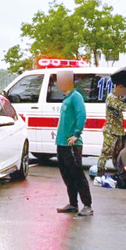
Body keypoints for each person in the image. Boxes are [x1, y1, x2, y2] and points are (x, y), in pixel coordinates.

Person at [55, 70, 93, 216]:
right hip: (62, 144)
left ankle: (87, 205)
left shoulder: (76, 97)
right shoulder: (66, 98)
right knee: (67, 175)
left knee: (77, 175)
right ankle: (73, 203)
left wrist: (76, 134)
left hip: (72, 145)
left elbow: (82, 115)